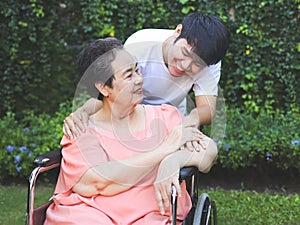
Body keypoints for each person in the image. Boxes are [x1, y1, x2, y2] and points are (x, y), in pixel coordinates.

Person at [44, 38, 218, 225]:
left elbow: (208, 151)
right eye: (129, 75)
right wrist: (164, 150)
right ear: (103, 87)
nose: (139, 79)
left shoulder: (165, 117)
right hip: (89, 212)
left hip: (150, 215)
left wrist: (173, 160)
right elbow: (95, 182)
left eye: (137, 70)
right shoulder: (82, 128)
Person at [63, 12, 230, 140]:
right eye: (185, 53)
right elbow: (112, 94)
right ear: (178, 31)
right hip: (131, 113)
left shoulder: (210, 60)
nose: (185, 66)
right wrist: (84, 110)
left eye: (197, 64)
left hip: (172, 119)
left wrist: (192, 119)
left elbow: (207, 109)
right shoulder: (139, 44)